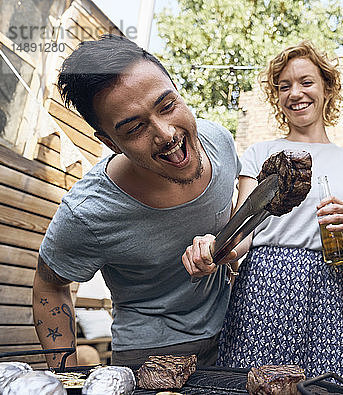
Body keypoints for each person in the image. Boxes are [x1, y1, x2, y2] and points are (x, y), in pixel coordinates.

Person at [32, 34, 240, 368]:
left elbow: (230, 220)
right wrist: (65, 376)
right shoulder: (87, 212)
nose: (166, 133)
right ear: (109, 142)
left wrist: (226, 251)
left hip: (235, 334)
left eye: (167, 106)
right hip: (148, 358)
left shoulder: (220, 143)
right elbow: (49, 285)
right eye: (134, 129)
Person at [187, 41, 343, 394]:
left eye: (306, 82)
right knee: (259, 384)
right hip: (264, 288)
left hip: (330, 290)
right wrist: (217, 250)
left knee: (326, 387)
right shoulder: (261, 153)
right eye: (284, 86)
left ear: (327, 88)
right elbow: (242, 235)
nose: (295, 93)